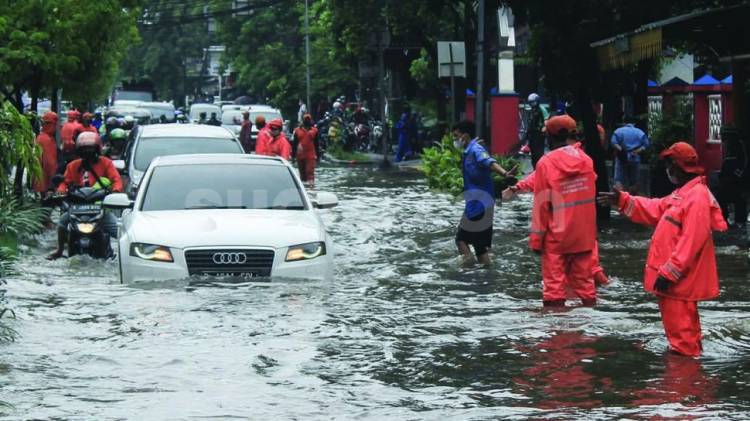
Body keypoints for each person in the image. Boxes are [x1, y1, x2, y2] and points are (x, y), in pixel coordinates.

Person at [599, 142, 727, 356]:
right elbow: (655, 208)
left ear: (677, 166)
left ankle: (681, 383)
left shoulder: (696, 196)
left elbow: (691, 241)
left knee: (682, 341)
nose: (668, 169)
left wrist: (669, 272)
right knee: (683, 338)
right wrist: (622, 200)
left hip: (678, 282)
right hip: (676, 282)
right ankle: (684, 381)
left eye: (669, 164)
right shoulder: (682, 194)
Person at [528, 115, 598, 307]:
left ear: (550, 137)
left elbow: (541, 205)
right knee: (586, 287)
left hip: (556, 238)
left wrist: (536, 240)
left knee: (553, 291)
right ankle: (589, 333)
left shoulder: (546, 163)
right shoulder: (586, 161)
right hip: (583, 236)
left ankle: (557, 333)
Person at [503, 169, 609, 288]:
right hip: (582, 224)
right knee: (589, 264)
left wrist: (516, 187)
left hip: (559, 227)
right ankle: (604, 289)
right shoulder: (583, 163)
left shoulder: (550, 165)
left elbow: (537, 177)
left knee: (559, 270)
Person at [47, 132, 123, 260]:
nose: (88, 153)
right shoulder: (73, 166)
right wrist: (60, 192)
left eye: (90, 149)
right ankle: (59, 250)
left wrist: (115, 192)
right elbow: (65, 182)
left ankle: (125, 254)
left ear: (97, 149)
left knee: (119, 232)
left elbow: (116, 180)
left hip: (99, 207)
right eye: (85, 150)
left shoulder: (106, 163)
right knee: (62, 222)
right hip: (78, 207)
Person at [453, 120, 516, 266]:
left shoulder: (476, 150)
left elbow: (489, 162)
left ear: (465, 135)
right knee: (480, 247)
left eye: (456, 136)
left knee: (461, 239)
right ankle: (486, 278)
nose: (455, 140)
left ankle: (468, 275)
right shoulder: (469, 150)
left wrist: (504, 173)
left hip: (480, 205)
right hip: (479, 204)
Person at [716, 128, 748, 228]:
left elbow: (742, 166)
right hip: (730, 182)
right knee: (721, 198)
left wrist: (734, 177)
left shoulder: (739, 147)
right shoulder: (730, 148)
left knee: (738, 199)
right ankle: (725, 220)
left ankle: (740, 221)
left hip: (737, 182)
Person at [611, 117, 650, 193]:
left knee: (619, 179)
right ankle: (632, 200)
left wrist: (621, 150)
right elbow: (646, 144)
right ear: (634, 124)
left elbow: (613, 142)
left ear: (624, 123)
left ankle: (620, 199)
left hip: (621, 158)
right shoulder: (640, 132)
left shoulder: (618, 131)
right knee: (634, 181)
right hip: (635, 158)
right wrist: (637, 151)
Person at [32, 112, 59, 196]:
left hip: (41, 181)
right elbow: (50, 163)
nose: (56, 128)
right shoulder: (46, 140)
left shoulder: (40, 137)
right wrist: (53, 183)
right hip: (46, 183)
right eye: (55, 125)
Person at [293, 114, 319, 185]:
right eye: (306, 119)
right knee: (302, 175)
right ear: (303, 120)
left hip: (310, 155)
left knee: (310, 172)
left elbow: (316, 144)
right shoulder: (297, 130)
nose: (307, 121)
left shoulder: (315, 131)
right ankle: (304, 189)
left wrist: (318, 156)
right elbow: (295, 144)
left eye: (308, 119)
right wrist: (293, 156)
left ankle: (311, 188)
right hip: (300, 155)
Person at [526, 93, 548, 169]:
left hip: (539, 134)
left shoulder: (541, 108)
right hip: (532, 134)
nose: (532, 104)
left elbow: (546, 119)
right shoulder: (532, 110)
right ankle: (535, 169)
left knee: (539, 153)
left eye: (533, 102)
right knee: (533, 153)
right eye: (530, 102)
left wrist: (545, 127)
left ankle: (541, 169)